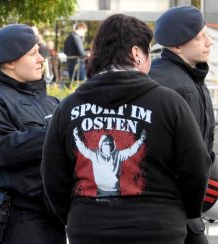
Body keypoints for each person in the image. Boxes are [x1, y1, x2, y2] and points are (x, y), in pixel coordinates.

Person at [41, 14, 212, 244]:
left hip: (90, 228)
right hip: (158, 228)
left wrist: (76, 214)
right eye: (148, 52)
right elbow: (197, 167)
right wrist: (182, 212)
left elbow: (53, 176)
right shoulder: (169, 103)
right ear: (136, 54)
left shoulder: (69, 107)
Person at [0, 24, 66, 244]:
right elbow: (3, 147)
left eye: (39, 51)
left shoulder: (50, 102)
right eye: (32, 53)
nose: (41, 59)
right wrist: (58, 134)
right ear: (9, 62)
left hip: (52, 216)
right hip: (17, 220)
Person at [148, 6, 215, 244]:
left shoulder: (188, 75)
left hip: (175, 207)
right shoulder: (175, 83)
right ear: (177, 47)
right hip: (174, 209)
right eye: (199, 38)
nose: (209, 43)